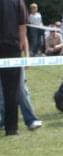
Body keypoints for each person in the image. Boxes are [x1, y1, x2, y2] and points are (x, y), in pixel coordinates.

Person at [0, 0, 27, 136]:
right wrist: (21, 48)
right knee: (11, 91)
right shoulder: (17, 2)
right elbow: (22, 26)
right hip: (11, 48)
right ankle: (11, 128)